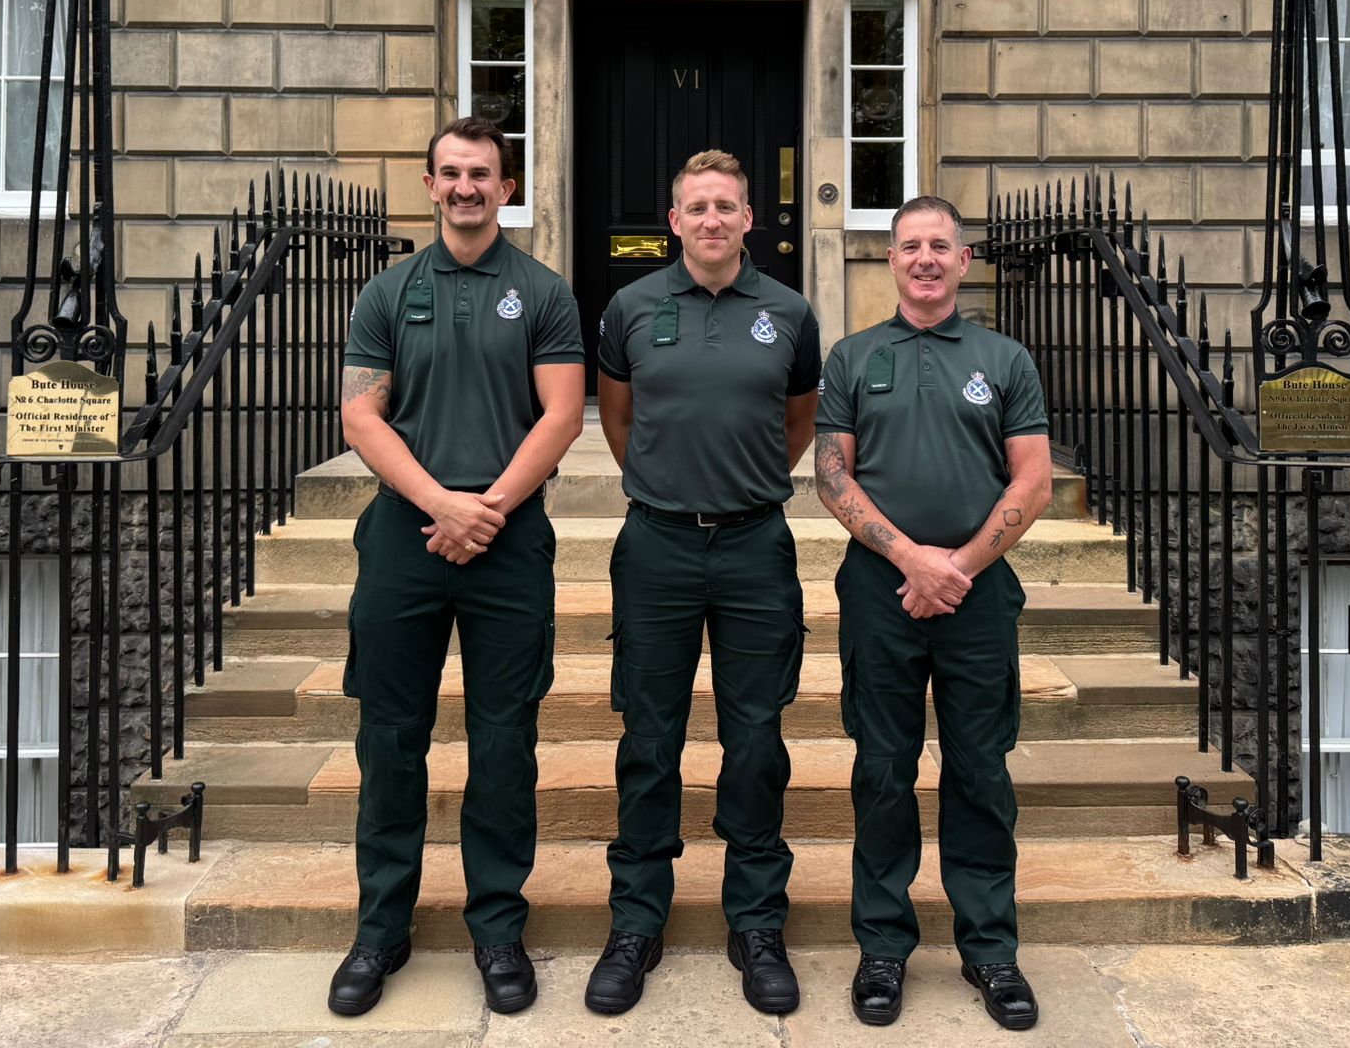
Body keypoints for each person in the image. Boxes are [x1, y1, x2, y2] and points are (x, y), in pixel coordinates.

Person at [329, 116, 584, 1018]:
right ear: (430, 186)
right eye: (451, 174)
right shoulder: (389, 292)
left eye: (483, 174)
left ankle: (498, 929)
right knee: (391, 740)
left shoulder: (545, 293)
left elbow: (559, 417)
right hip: (408, 536)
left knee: (505, 743)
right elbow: (363, 417)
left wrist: (486, 511)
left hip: (508, 540)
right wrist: (441, 505)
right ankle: (380, 930)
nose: (467, 187)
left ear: (506, 189)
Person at [584, 149, 822, 1017]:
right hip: (657, 549)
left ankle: (756, 920)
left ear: (748, 219)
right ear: (674, 220)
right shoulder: (630, 307)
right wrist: (670, 485)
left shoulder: (789, 312)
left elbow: (797, 423)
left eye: (728, 205)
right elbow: (618, 418)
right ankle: (636, 921)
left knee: (756, 741)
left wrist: (742, 485)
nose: (713, 219)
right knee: (649, 738)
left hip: (757, 549)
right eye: (697, 207)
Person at [812, 195, 1054, 1032]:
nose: (924, 258)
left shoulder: (1005, 357)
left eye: (939, 246)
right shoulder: (851, 356)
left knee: (981, 770)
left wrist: (958, 566)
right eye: (910, 245)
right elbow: (832, 476)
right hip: (882, 590)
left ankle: (991, 950)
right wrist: (912, 561)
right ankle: (883, 947)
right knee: (882, 769)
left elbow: (1033, 480)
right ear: (891, 260)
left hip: (978, 595)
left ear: (964, 258)